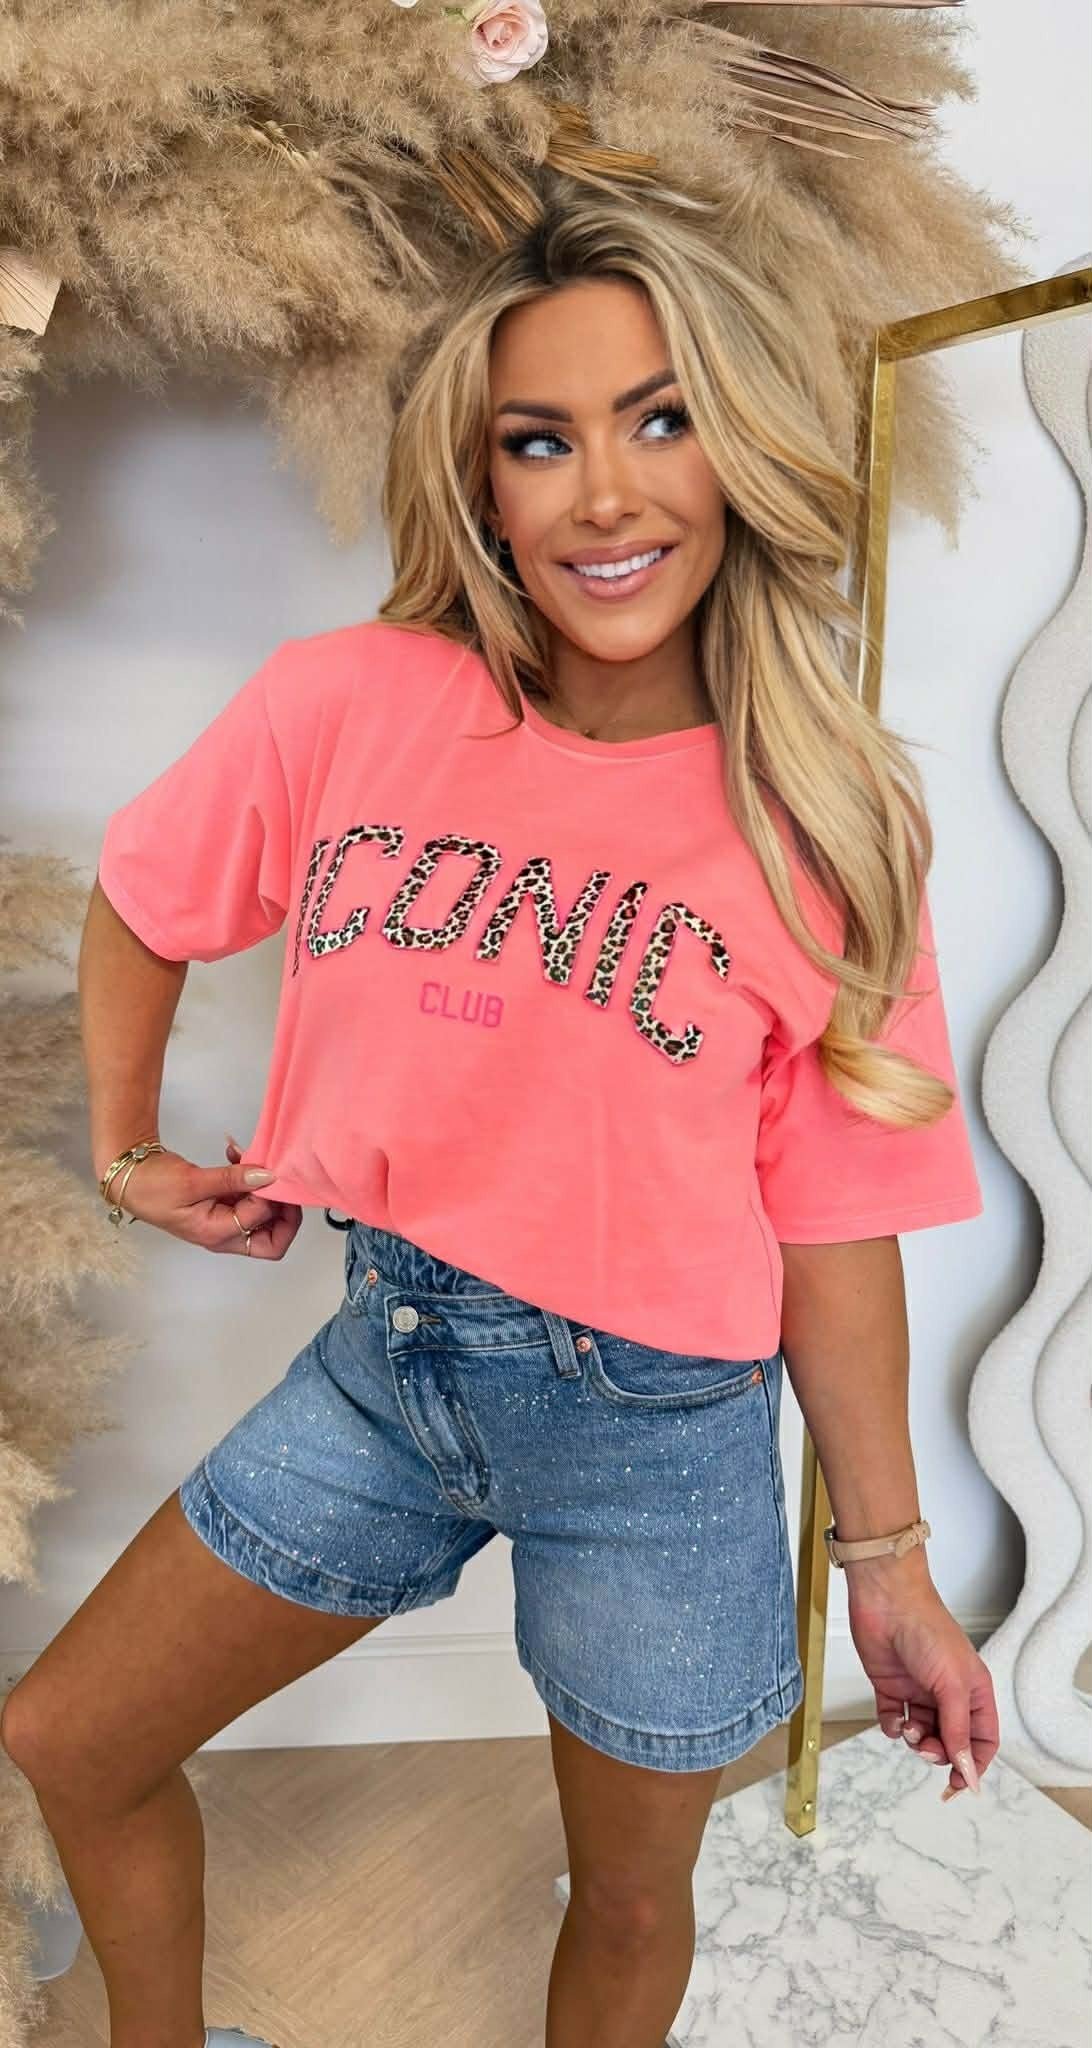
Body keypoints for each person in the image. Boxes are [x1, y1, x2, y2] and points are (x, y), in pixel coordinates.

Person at [0, 167, 999, 2048]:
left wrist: (891, 1570)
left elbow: (834, 1217)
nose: (603, 493)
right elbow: (146, 894)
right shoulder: (353, 702)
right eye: (540, 441)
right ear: (484, 486)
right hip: (388, 1368)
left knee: (626, 1897)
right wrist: (128, 1153)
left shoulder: (825, 817)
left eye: (660, 420)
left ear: (742, 449)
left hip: (661, 1441)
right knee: (70, 1736)